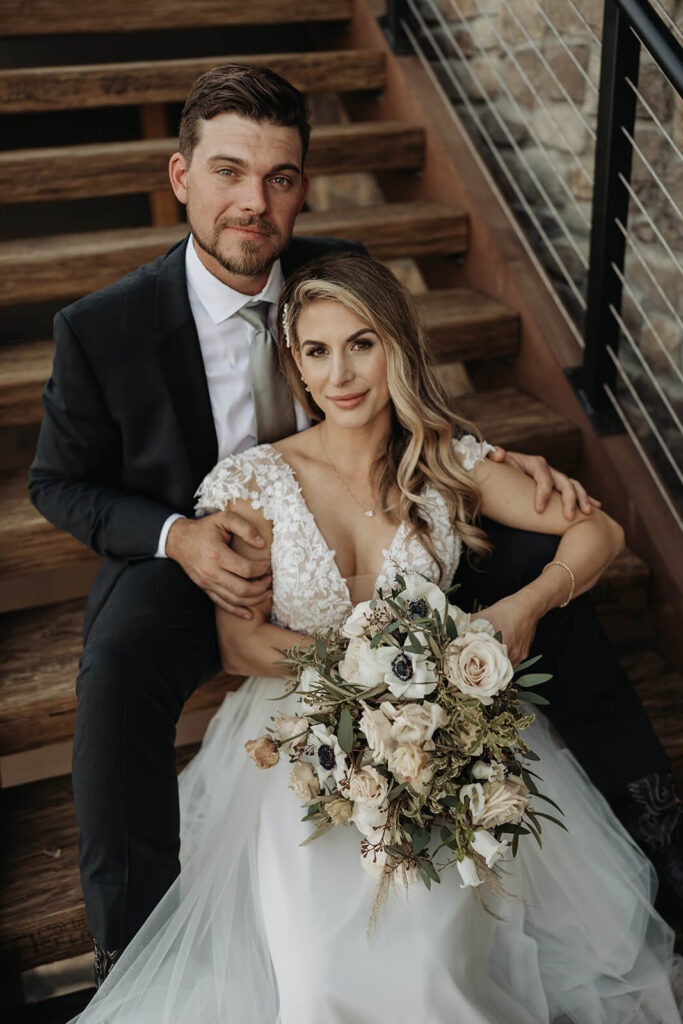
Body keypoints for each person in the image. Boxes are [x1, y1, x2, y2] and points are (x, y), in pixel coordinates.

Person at [27, 64, 680, 985]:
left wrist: (479, 454)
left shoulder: (336, 272)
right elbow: (58, 485)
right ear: (181, 177)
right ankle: (133, 953)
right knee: (118, 664)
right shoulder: (102, 328)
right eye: (227, 172)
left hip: (384, 515)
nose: (253, 203)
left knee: (544, 572)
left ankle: (655, 824)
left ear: (301, 183)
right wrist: (178, 534)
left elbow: (396, 386)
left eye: (280, 178)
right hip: (205, 546)